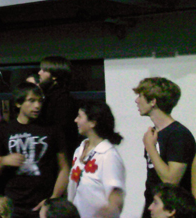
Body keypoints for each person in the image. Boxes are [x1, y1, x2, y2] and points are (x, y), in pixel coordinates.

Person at [0, 82, 69, 218]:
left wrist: (53, 199)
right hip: (13, 205)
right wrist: (4, 161)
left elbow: (64, 168)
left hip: (42, 205)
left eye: (40, 101)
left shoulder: (52, 129)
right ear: (18, 104)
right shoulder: (5, 130)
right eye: (31, 101)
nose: (37, 106)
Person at [133, 77, 196, 217]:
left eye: (140, 96)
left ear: (153, 101)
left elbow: (171, 180)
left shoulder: (178, 135)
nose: (136, 101)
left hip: (171, 211)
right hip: (153, 206)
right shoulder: (154, 134)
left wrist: (150, 147)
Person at [67, 102, 125, 218]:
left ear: (93, 123)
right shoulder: (79, 150)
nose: (75, 120)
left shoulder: (108, 155)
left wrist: (109, 210)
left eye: (80, 116)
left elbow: (115, 193)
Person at [38, 57, 78, 162]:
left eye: (44, 70)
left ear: (55, 75)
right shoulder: (49, 97)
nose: (39, 73)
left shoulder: (63, 100)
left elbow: (59, 133)